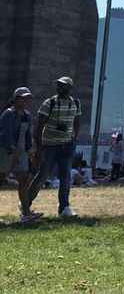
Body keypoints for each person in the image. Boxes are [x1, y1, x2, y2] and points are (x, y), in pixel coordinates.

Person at [22, 76, 81, 219]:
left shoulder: (75, 103)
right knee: (43, 176)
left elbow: (77, 121)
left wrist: (74, 138)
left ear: (69, 88)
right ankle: (25, 205)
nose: (60, 87)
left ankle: (64, 207)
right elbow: (39, 125)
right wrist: (39, 147)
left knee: (66, 176)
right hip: (50, 146)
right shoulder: (50, 103)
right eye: (59, 85)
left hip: (67, 145)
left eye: (63, 85)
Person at [0, 87, 42, 223]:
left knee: (23, 181)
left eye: (27, 98)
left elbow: (28, 136)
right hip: (6, 151)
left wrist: (30, 151)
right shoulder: (8, 114)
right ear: (16, 99)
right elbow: (5, 134)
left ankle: (26, 213)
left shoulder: (27, 116)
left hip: (22, 152)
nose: (25, 101)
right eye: (23, 98)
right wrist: (13, 151)